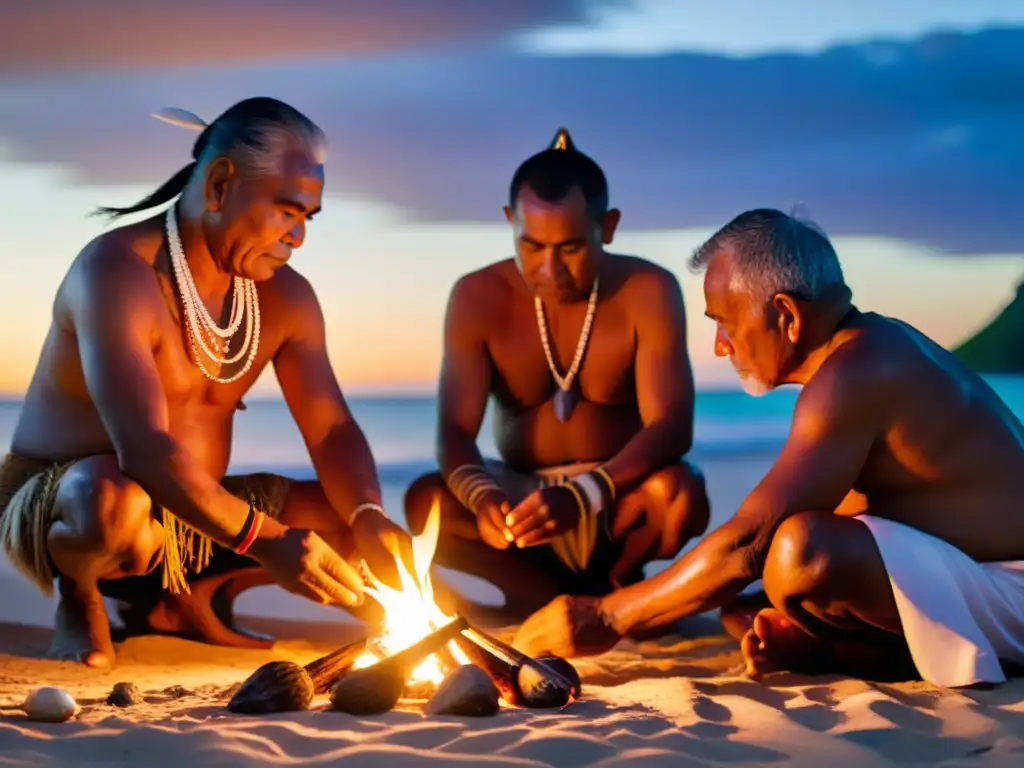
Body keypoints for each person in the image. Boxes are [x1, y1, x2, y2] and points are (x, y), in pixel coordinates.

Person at [511, 208, 1024, 688]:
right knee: (748, 609)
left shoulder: (858, 370)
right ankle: (860, 654)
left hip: (1013, 584)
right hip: (970, 570)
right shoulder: (868, 351)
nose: (720, 345)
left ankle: (887, 656)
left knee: (799, 553)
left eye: (724, 321)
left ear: (785, 315)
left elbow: (749, 542)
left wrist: (603, 616)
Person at [0, 98, 413, 668]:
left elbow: (332, 427)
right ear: (220, 184)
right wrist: (267, 541)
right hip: (74, 506)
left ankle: (180, 603)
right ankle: (80, 595)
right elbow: (144, 450)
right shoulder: (117, 272)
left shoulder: (286, 298)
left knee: (346, 522)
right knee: (109, 501)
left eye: (307, 218)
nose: (298, 237)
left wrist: (370, 515)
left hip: (196, 521)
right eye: (286, 211)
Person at [403, 128, 709, 622]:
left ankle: (618, 593)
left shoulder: (647, 289)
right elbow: (455, 433)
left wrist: (587, 493)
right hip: (520, 504)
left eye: (569, 248)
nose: (549, 268)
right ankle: (534, 597)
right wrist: (483, 498)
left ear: (606, 227)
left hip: (614, 501)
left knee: (679, 493)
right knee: (426, 499)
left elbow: (672, 426)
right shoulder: (477, 296)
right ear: (510, 222)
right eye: (531, 245)